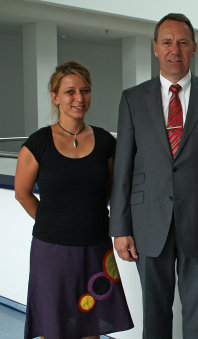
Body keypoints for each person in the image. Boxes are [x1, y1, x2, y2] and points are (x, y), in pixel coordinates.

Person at [109, 13, 198, 339]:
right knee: (155, 318)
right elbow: (123, 167)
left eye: (182, 42)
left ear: (194, 48)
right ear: (155, 48)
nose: (174, 49)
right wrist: (120, 228)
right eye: (166, 42)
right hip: (147, 223)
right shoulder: (132, 99)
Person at [15, 61, 133, 339]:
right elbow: (22, 193)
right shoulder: (38, 143)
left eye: (85, 90)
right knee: (55, 327)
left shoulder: (105, 141)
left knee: (91, 324)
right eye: (70, 92)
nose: (79, 98)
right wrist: (53, 219)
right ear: (55, 97)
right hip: (51, 251)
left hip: (95, 246)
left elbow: (112, 189)